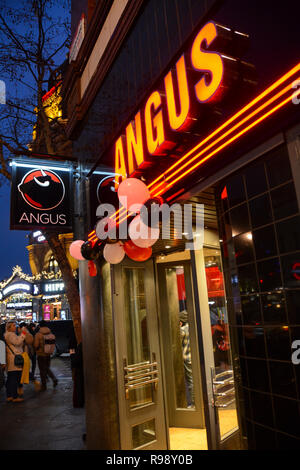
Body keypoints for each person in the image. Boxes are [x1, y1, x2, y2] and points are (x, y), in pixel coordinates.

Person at [4, 321, 28, 402]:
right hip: (14, 359)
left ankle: (9, 395)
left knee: (11, 378)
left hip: (12, 358)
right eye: (13, 326)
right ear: (9, 328)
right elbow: (17, 342)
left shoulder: (8, 334)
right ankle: (14, 396)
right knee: (14, 378)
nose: (15, 327)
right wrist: (23, 333)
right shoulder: (10, 334)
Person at [34, 320, 58, 391]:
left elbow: (36, 345)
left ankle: (44, 386)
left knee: (42, 370)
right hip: (48, 353)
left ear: (40, 326)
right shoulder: (50, 333)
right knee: (47, 368)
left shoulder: (38, 334)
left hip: (41, 354)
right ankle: (54, 379)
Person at [179, 310, 195, 408]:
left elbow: (176, 344)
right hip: (193, 358)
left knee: (190, 382)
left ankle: (193, 404)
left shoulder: (182, 330)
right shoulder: (192, 328)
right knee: (194, 381)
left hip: (186, 359)